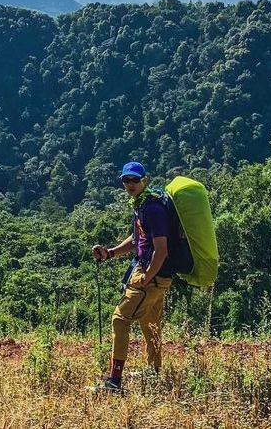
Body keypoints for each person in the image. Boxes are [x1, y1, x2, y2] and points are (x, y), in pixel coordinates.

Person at [92, 161, 177, 393]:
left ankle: (114, 382)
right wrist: (110, 253)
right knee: (151, 326)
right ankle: (154, 373)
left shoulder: (153, 209)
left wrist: (147, 277)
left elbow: (162, 250)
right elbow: (136, 239)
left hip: (152, 274)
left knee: (120, 320)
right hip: (155, 274)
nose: (130, 184)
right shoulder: (141, 205)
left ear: (144, 181)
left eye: (134, 180)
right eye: (126, 180)